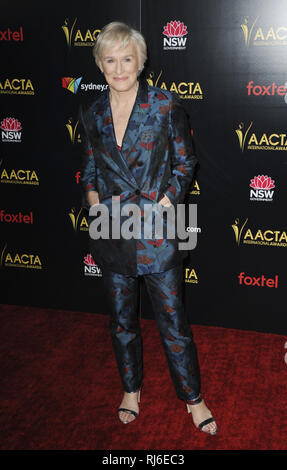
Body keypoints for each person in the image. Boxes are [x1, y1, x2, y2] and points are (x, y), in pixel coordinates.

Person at [79, 21, 217, 435]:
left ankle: (194, 398)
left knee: (173, 321)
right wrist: (93, 202)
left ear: (141, 62)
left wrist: (164, 203)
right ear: (100, 64)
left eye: (127, 59)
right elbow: (89, 167)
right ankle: (130, 389)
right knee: (121, 320)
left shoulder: (165, 106)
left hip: (159, 224)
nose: (119, 68)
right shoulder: (92, 111)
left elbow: (184, 163)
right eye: (110, 60)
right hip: (112, 224)